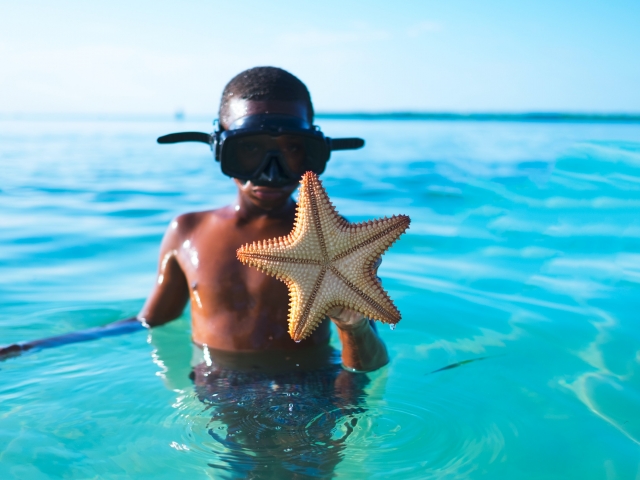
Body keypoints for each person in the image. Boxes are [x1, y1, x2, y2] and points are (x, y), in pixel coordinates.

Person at [1, 67, 389, 477]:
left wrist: (353, 322)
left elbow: (369, 363)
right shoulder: (187, 232)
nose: (272, 172)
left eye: (295, 149)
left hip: (314, 392)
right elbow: (148, 321)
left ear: (316, 153)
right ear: (220, 149)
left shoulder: (340, 243)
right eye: (250, 150)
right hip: (222, 391)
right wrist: (35, 346)